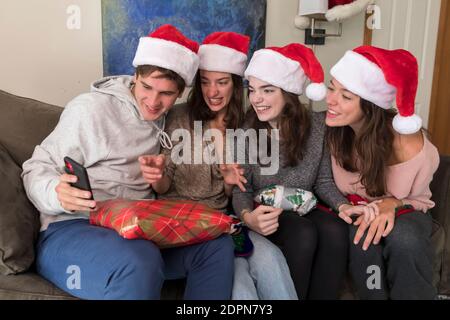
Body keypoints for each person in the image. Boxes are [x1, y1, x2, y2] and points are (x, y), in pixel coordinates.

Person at [21, 24, 234, 300]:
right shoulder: (90, 109)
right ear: (135, 76)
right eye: (147, 87)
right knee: (140, 258)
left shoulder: (169, 122)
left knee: (216, 245)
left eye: (166, 94)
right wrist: (56, 193)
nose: (153, 102)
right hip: (73, 229)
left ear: (179, 93)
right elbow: (35, 168)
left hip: (137, 228)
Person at [141, 31, 298, 300]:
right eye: (205, 82)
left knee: (271, 258)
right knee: (240, 288)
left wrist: (228, 180)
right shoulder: (178, 117)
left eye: (222, 82)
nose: (212, 92)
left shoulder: (246, 125)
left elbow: (232, 195)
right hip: (181, 223)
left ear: (236, 85)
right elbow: (164, 187)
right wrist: (156, 174)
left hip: (224, 224)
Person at [232, 43, 355, 300]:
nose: (256, 98)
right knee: (303, 233)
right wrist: (247, 216)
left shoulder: (318, 125)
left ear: (288, 92)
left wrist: (343, 207)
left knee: (335, 230)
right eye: (252, 90)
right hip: (265, 213)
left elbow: (322, 181)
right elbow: (241, 187)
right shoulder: (245, 130)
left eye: (267, 90)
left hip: (304, 205)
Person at [326, 45, 440, 299]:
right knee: (362, 236)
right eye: (331, 87)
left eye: (346, 96)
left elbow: (421, 199)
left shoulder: (408, 144)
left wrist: (393, 203)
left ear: (369, 105)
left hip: (408, 211)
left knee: (405, 237)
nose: (331, 100)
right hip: (357, 213)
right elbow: (324, 182)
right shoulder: (333, 131)